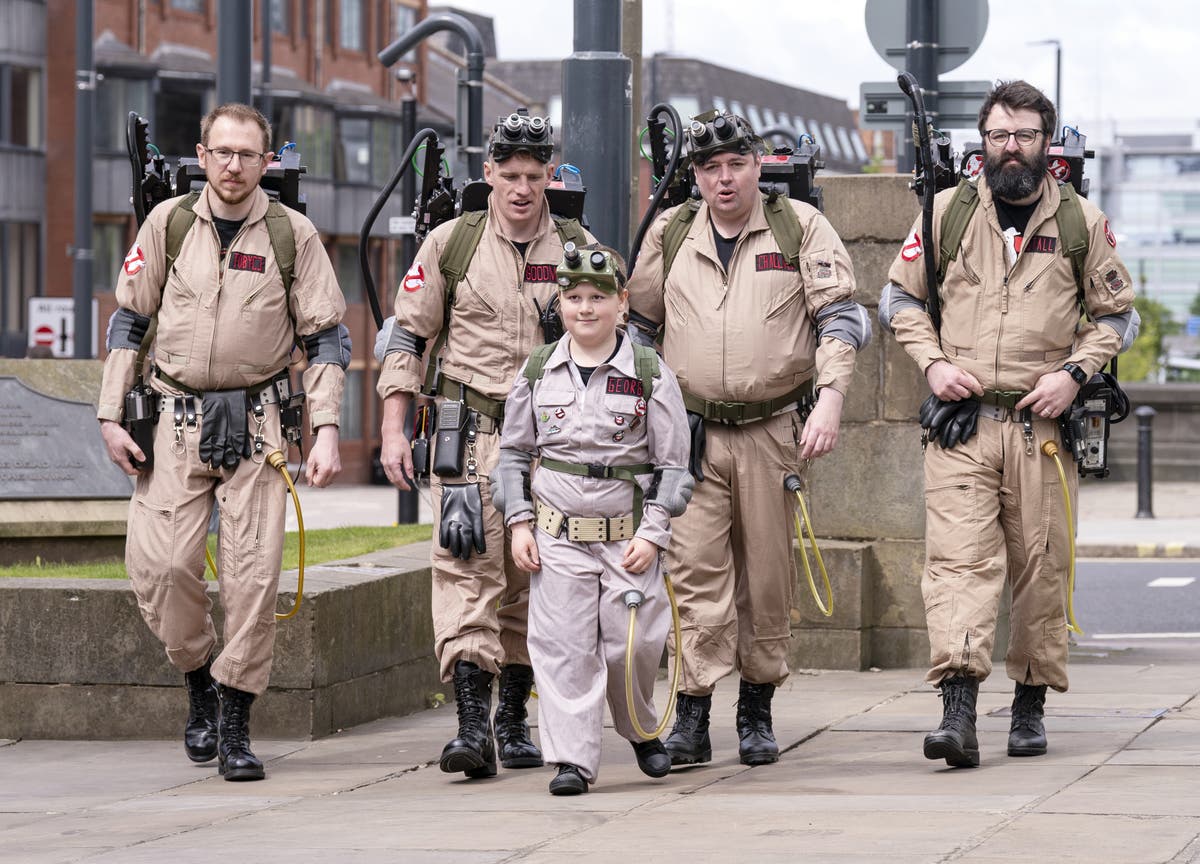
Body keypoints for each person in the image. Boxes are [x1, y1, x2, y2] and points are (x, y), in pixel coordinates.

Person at [878, 80, 1139, 767]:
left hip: (1041, 428)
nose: (1011, 148)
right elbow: (897, 300)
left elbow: (1116, 315)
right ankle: (957, 710)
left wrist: (1073, 375)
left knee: (1041, 568)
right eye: (999, 135)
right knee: (958, 564)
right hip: (962, 423)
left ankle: (1030, 703)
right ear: (983, 142)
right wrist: (933, 365)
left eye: (1025, 135)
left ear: (1046, 144)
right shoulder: (945, 214)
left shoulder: (1081, 220)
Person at [97, 103, 348, 782]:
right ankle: (198, 676)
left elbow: (326, 338)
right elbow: (129, 319)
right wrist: (110, 415)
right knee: (163, 567)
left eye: (248, 154)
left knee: (251, 580)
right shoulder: (169, 224)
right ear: (202, 156)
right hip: (173, 418)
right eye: (222, 152)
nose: (233, 165)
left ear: (267, 163)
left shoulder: (293, 236)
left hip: (260, 422)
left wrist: (325, 429)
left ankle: (235, 721)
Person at [625, 111, 871, 767]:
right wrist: (638, 408)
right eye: (710, 168)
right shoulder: (673, 232)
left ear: (758, 165)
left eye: (736, 164)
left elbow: (842, 317)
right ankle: (694, 713)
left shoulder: (798, 226)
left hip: (772, 430)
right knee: (695, 571)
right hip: (692, 434)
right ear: (695, 176)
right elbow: (638, 326)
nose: (724, 179)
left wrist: (831, 399)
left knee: (766, 576)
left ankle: (757, 707)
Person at [375, 110, 596, 779]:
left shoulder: (580, 250)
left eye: (535, 176)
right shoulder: (451, 245)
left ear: (550, 177)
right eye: (511, 175)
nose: (523, 189)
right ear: (489, 173)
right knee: (464, 571)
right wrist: (391, 427)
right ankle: (473, 725)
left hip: (549, 445)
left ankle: (513, 717)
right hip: (466, 439)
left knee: (538, 582)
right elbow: (407, 338)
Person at [492, 243, 692, 795]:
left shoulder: (650, 373)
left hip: (627, 538)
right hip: (557, 538)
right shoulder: (538, 370)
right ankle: (573, 760)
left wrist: (653, 535)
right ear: (559, 303)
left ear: (621, 304)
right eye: (574, 297)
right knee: (564, 650)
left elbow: (675, 467)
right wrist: (518, 522)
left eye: (598, 298)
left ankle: (638, 727)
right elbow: (511, 454)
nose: (585, 308)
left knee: (631, 646)